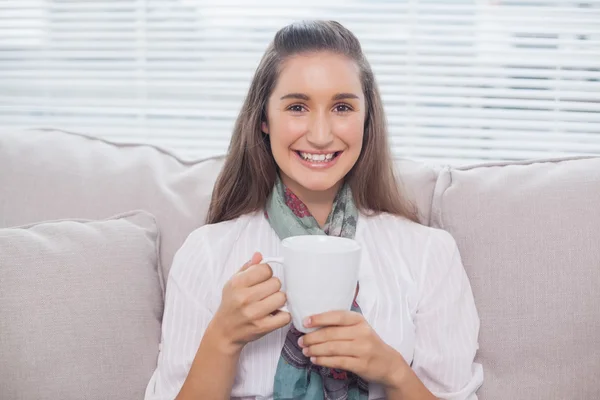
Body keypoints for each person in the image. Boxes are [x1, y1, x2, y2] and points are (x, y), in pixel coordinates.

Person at [145, 20, 483, 400]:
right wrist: (223, 338)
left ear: (367, 121)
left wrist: (391, 371)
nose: (320, 134)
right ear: (263, 120)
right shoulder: (205, 254)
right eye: (297, 107)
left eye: (341, 107)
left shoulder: (428, 255)